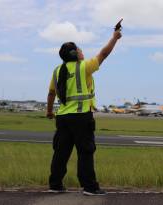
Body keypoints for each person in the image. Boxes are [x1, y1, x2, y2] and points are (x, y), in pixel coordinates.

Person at [46, 25, 122, 196]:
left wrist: (49, 112)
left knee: (61, 152)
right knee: (85, 152)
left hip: (63, 118)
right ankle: (89, 187)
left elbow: (51, 93)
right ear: (75, 54)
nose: (82, 52)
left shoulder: (57, 71)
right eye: (80, 50)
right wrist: (114, 38)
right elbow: (103, 54)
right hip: (81, 118)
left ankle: (55, 184)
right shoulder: (83, 67)